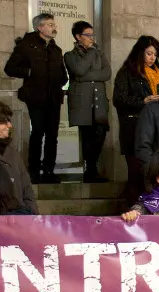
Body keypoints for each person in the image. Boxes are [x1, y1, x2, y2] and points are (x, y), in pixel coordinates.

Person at [4, 13, 68, 184]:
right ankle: (33, 171)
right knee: (38, 132)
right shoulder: (26, 46)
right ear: (40, 27)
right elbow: (9, 68)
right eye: (49, 24)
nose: (54, 27)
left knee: (52, 135)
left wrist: (62, 80)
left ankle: (49, 170)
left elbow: (62, 73)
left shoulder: (56, 49)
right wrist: (29, 72)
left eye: (54, 24)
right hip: (36, 97)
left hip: (54, 97)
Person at [114, 35, 159, 206]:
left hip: (154, 129)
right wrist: (143, 101)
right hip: (133, 127)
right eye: (149, 53)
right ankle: (132, 210)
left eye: (155, 55)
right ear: (140, 52)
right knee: (136, 173)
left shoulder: (158, 73)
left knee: (152, 175)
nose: (152, 58)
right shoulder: (127, 72)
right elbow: (119, 99)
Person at [63, 21, 111, 183]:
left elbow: (106, 73)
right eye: (88, 35)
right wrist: (90, 53)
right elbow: (78, 70)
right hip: (83, 102)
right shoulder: (70, 56)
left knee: (100, 132)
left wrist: (84, 78)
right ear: (78, 37)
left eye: (92, 35)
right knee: (88, 135)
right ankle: (90, 169)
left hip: (99, 102)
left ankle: (92, 166)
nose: (91, 38)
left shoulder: (100, 53)